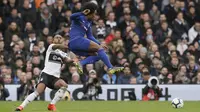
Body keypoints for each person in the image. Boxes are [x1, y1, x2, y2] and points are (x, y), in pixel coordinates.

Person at [15, 35, 73, 111]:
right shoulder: (51, 47)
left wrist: (74, 61)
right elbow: (57, 46)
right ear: (53, 40)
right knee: (38, 92)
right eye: (57, 37)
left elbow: (67, 61)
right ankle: (21, 106)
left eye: (60, 38)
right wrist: (65, 45)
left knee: (64, 85)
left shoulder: (63, 53)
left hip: (55, 77)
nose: (58, 39)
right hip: (46, 74)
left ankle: (51, 104)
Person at [68, 2, 124, 74]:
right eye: (94, 13)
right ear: (89, 12)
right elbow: (71, 16)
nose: (95, 15)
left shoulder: (89, 22)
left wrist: (99, 43)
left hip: (75, 46)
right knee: (100, 49)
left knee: (98, 55)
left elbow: (90, 36)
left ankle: (80, 63)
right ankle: (111, 67)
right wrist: (82, 13)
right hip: (76, 40)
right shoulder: (80, 17)